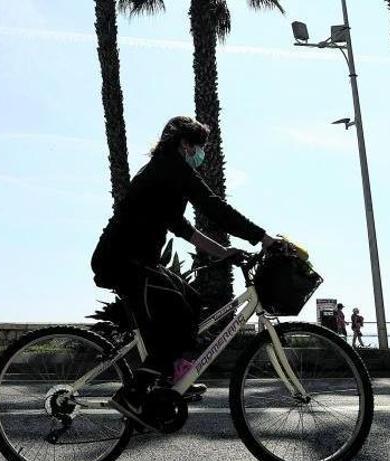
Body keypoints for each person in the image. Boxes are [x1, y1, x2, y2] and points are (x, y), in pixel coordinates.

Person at [91, 116, 276, 430]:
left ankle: (174, 374)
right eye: (200, 146)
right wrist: (262, 237)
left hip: (138, 261)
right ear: (184, 144)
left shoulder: (165, 176)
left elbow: (183, 229)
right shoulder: (171, 168)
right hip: (124, 260)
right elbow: (214, 207)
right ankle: (132, 396)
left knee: (189, 299)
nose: (202, 153)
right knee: (175, 319)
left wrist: (224, 252)